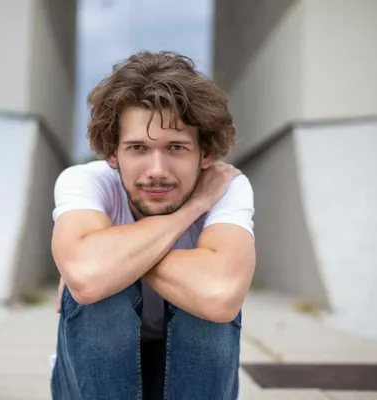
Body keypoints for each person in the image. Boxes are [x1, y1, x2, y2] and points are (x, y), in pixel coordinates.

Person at [50, 51, 256, 400]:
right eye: (137, 148)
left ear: (205, 153)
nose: (157, 170)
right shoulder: (84, 181)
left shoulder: (227, 186)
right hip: (94, 380)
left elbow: (220, 297)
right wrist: (190, 210)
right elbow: (87, 279)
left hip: (193, 377)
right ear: (113, 153)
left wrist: (111, 261)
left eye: (175, 147)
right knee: (101, 296)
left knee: (202, 300)